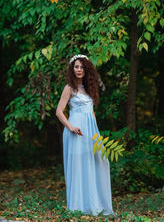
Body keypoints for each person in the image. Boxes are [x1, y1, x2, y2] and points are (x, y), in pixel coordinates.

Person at [55, 54, 113, 216]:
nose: (78, 70)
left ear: (86, 70)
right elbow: (59, 112)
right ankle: (77, 206)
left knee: (98, 162)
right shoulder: (69, 88)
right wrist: (71, 127)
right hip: (74, 131)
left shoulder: (89, 89)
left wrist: (97, 135)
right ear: (72, 69)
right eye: (76, 67)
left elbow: (92, 113)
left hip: (90, 131)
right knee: (78, 166)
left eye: (81, 67)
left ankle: (95, 204)